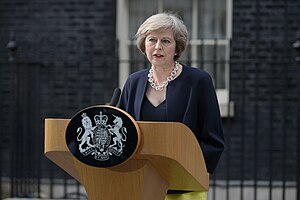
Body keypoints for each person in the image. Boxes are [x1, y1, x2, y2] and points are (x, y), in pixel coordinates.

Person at [118, 12, 225, 200]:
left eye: (166, 41)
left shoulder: (198, 81)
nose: (158, 47)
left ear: (177, 47)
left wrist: (193, 171)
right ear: (144, 45)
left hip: (184, 186)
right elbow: (122, 133)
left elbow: (213, 137)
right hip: (140, 184)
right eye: (152, 40)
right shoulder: (133, 82)